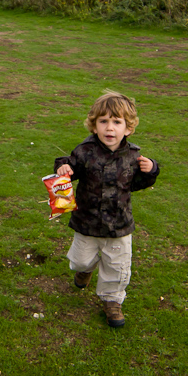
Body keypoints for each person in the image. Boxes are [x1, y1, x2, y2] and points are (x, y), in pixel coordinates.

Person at [54, 90, 160, 328]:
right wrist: (63, 168)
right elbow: (70, 168)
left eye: (116, 122)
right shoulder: (85, 151)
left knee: (117, 265)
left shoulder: (133, 155)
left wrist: (151, 170)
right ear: (94, 126)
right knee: (80, 261)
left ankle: (112, 300)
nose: (109, 128)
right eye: (103, 121)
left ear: (128, 128)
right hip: (86, 221)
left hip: (118, 223)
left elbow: (135, 184)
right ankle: (86, 270)